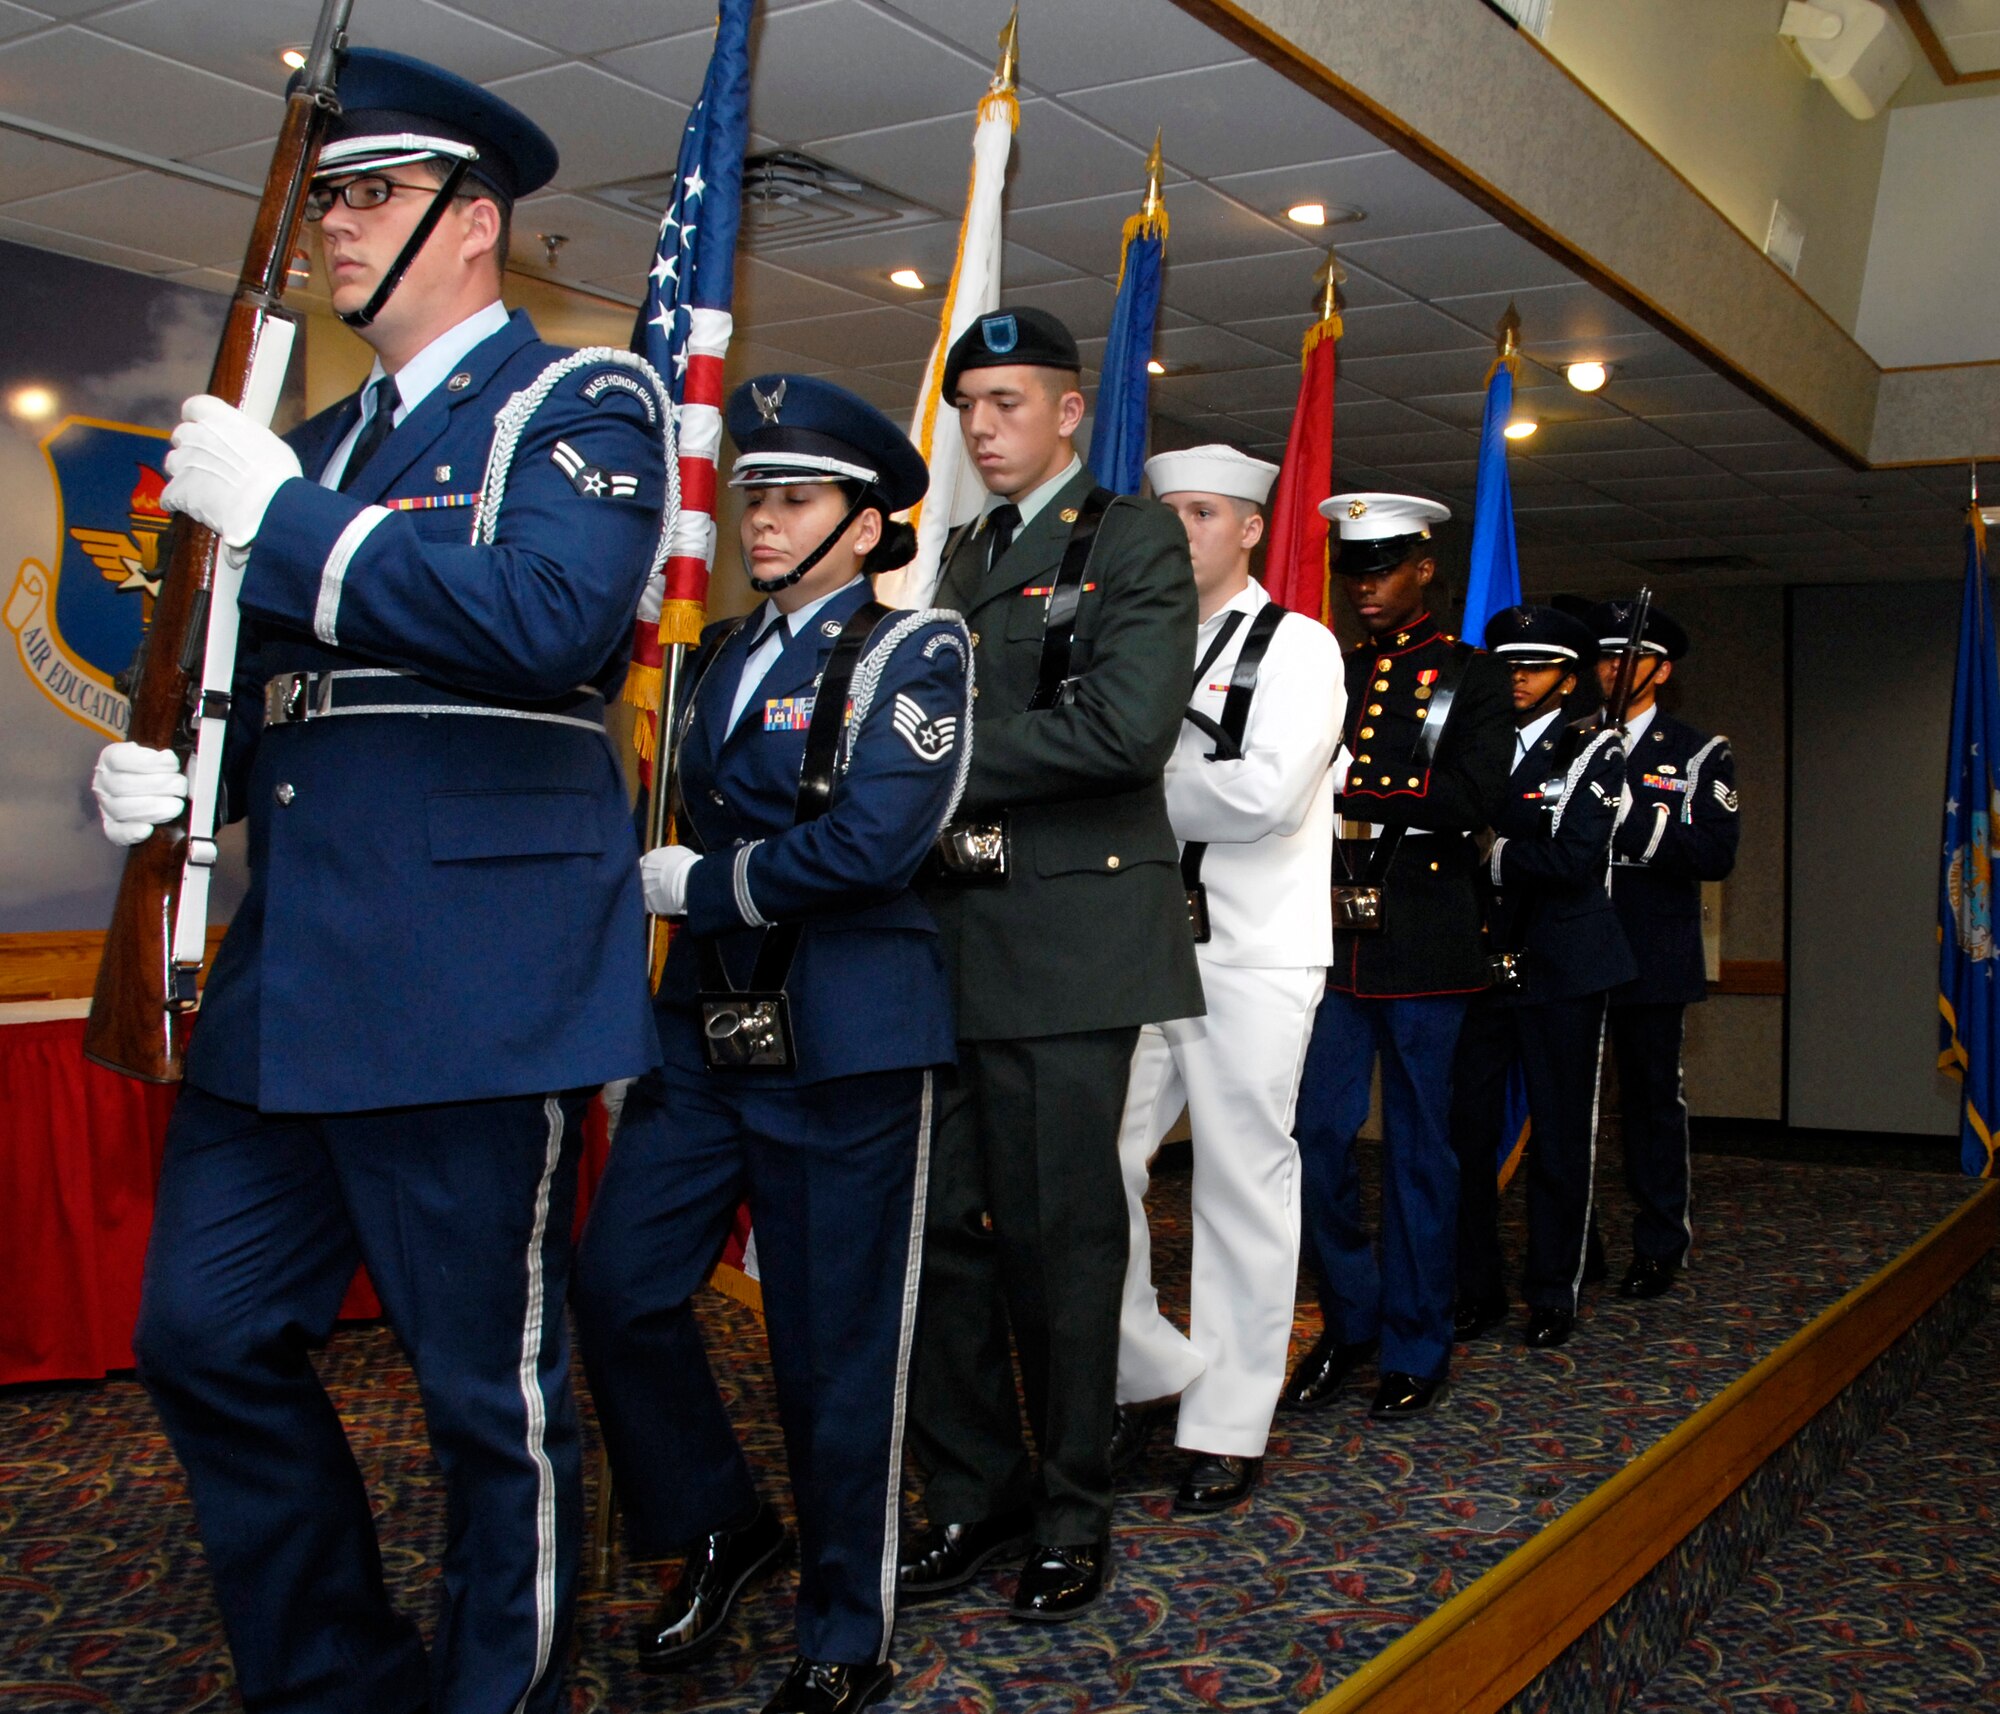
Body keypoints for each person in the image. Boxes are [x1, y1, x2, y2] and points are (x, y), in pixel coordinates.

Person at [87, 50, 667, 1714]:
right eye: (328, 197)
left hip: (473, 973)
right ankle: (336, 1678)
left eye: (377, 194)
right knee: (201, 1332)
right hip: (291, 982)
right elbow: (256, 681)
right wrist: (172, 778)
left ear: (475, 223)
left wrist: (293, 521)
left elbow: (548, 620)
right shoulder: (320, 441)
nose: (336, 225)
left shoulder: (581, 403)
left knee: (493, 1401)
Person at [573, 376, 970, 1714]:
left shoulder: (914, 651)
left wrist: (709, 886)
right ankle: (723, 1521)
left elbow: (877, 840)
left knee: (828, 1347)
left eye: (794, 500)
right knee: (618, 1286)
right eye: (754, 497)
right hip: (705, 1031)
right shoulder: (714, 653)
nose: (760, 520)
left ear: (863, 527)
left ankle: (847, 1624)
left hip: (844, 1035)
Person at [900, 307, 1203, 1620]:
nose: (981, 427)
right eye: (967, 405)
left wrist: (923, 755)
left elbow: (1125, 731)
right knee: (934, 1232)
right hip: (953, 937)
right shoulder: (966, 549)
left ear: (1069, 411)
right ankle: (977, 1489)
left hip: (1069, 942)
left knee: (1058, 1241)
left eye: (1007, 402)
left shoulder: (1128, 538)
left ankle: (1075, 1507)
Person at [1108, 444, 1342, 1513]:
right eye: (1166, 512)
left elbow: (1261, 797)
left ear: (1250, 529)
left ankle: (1227, 1423)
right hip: (1132, 942)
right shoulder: (1124, 640)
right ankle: (1143, 1368)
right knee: (1088, 1163)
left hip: (1251, 949)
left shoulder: (1299, 647)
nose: (1179, 531)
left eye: (1203, 513)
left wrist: (1115, 786)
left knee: (1241, 1178)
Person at [1281, 493, 1511, 1420]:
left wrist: (1355, 780)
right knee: (1314, 1138)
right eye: (1353, 571)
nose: (1364, 588)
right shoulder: (1329, 671)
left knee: (1420, 1152)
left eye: (1382, 570)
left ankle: (1417, 1340)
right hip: (1328, 939)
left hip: (1424, 941)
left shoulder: (1473, 676)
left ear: (1423, 569)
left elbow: (1473, 796)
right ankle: (1351, 1321)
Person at [1450, 604, 1634, 1350]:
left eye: (1536, 667)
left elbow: (1573, 860)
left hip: (1563, 965)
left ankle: (1554, 1290)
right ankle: (1476, 1288)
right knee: (1466, 1135)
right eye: (1508, 666)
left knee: (1560, 1138)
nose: (1518, 679)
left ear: (1568, 677)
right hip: (1478, 966)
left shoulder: (1594, 749)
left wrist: (1491, 854)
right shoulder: (1474, 740)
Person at [1568, 597, 1739, 1301]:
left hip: (1651, 954)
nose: (1614, 669)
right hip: (1572, 947)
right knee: (1569, 1105)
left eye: (1631, 658)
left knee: (1650, 1104)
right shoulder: (1569, 740)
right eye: (1606, 657)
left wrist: (1631, 819)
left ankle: (1661, 1242)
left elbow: (1714, 853)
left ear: (1662, 671)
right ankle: (1576, 1242)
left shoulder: (1697, 752)